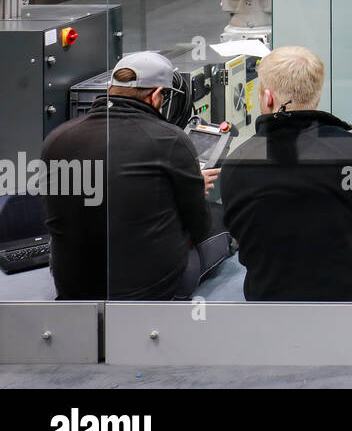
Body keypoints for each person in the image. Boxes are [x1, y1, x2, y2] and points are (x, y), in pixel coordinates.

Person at [220, 46, 352, 302]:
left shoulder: (236, 165)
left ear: (267, 98)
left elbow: (244, 244)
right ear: (317, 94)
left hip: (273, 306)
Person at [40, 51, 233, 300]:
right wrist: (191, 187)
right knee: (218, 220)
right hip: (150, 291)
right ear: (155, 96)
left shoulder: (56, 139)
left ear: (111, 90)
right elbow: (197, 226)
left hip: (73, 288)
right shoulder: (170, 140)